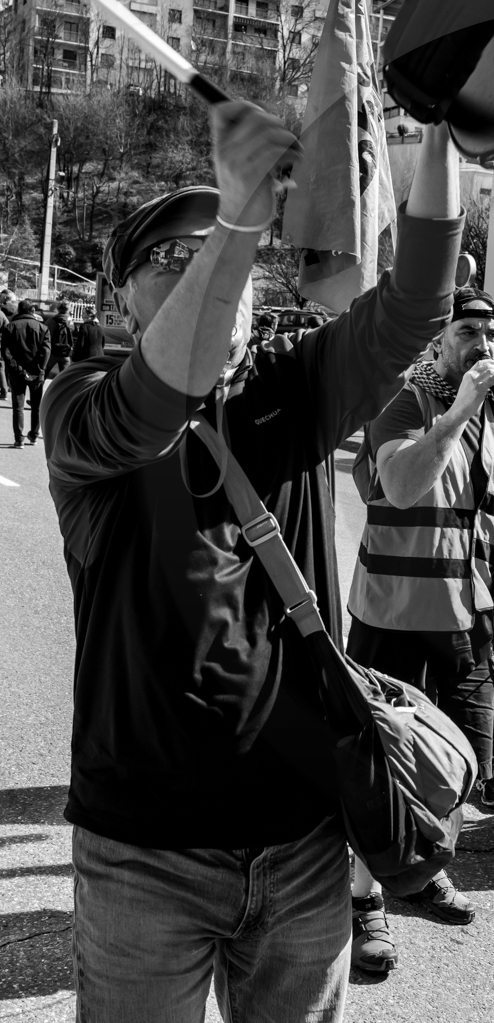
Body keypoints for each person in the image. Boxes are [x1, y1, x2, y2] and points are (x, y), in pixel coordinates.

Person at [41, 106, 461, 1018]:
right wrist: (235, 222)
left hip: (305, 843)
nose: (211, 271)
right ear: (117, 304)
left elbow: (418, 303)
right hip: (142, 856)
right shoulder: (79, 403)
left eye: (224, 251)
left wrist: (442, 130)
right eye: (172, 258)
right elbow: (159, 394)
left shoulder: (293, 386)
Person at [345, 285, 494, 960]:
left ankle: (423, 869)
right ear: (439, 340)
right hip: (393, 622)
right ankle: (363, 897)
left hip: (471, 624)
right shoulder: (403, 399)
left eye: (491, 335)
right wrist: (461, 408)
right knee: (383, 769)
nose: (483, 345)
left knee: (458, 766)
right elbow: (401, 487)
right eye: (467, 332)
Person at [1, 298, 50, 447]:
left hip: (17, 373)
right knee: (36, 406)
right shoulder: (43, 328)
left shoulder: (10, 327)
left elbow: (6, 352)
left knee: (18, 407)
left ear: (19, 310)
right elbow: (46, 351)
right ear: (33, 311)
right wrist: (40, 368)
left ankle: (19, 439)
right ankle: (34, 436)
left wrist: (16, 368)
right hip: (37, 372)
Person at [45, 302, 74, 377]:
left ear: (58, 309)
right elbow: (74, 335)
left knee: (42, 375)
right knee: (65, 378)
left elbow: (44, 335)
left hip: (52, 352)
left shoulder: (50, 321)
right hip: (65, 353)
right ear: (68, 310)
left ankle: (39, 388)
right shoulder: (70, 322)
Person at [0, 288, 17, 401]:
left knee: (2, 366)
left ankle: (5, 389)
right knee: (7, 365)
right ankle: (8, 387)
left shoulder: (4, 310)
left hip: (5, 340)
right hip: (12, 340)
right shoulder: (15, 309)